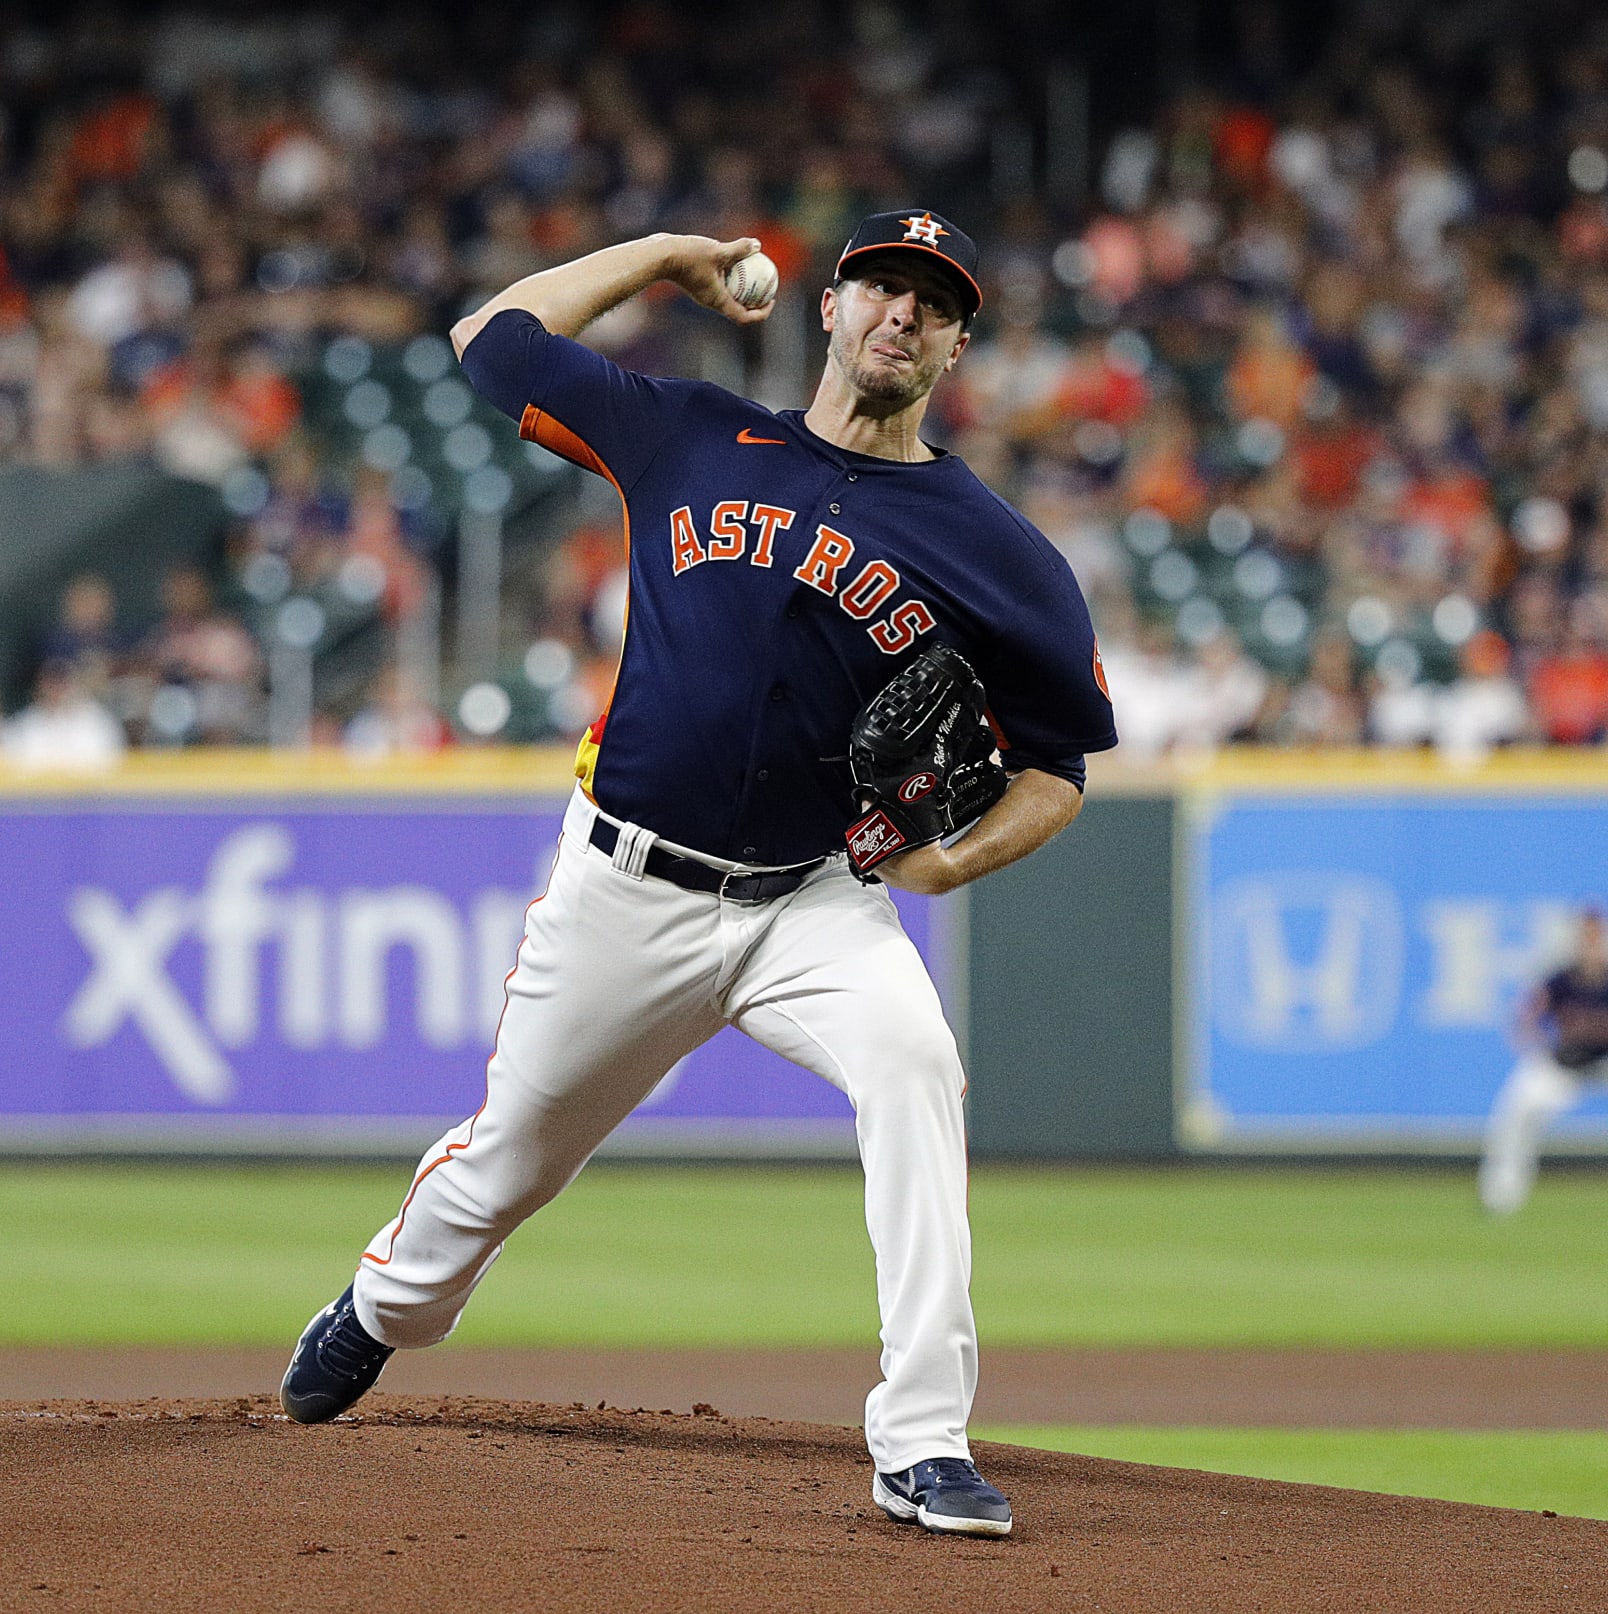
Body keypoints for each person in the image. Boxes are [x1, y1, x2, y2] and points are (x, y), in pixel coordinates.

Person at [279, 213, 1117, 1538]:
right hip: (627, 887)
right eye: (884, 287)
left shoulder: (1000, 552)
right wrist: (668, 254)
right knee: (511, 1162)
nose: (904, 313)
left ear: (956, 347)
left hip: (815, 900)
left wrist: (954, 858)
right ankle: (383, 1309)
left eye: (934, 303)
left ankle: (921, 1437)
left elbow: (1059, 767)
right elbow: (489, 340)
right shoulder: (690, 433)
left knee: (914, 1065)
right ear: (832, 308)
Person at [1479, 906, 1608, 1215]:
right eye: (1585, 934)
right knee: (1517, 1110)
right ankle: (1501, 1195)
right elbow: (1525, 1015)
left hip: (1604, 1065)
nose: (1590, 940)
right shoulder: (1561, 979)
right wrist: (1533, 1043)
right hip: (1564, 1065)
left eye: (1595, 933)